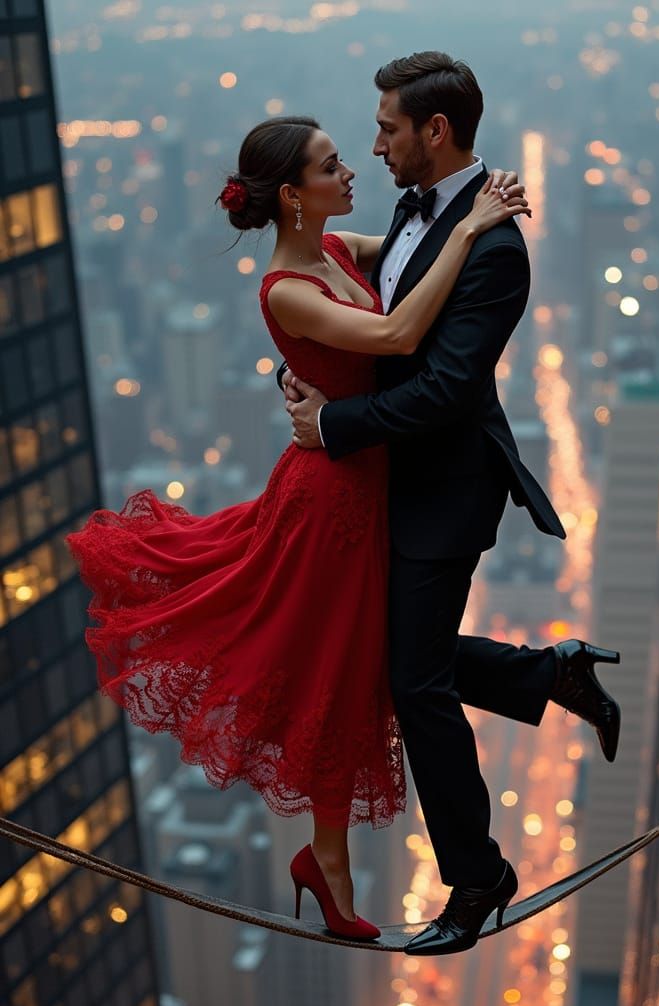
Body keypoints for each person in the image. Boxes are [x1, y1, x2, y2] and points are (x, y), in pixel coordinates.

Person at [64, 113, 529, 943]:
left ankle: (327, 861)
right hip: (332, 500)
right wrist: (476, 228)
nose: (350, 169)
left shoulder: (335, 251)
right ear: (291, 194)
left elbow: (409, 251)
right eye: (329, 165)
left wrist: (467, 206)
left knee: (352, 661)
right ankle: (331, 865)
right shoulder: (288, 286)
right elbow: (395, 332)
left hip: (362, 485)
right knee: (335, 668)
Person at [283, 51, 622, 955]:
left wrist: (334, 424)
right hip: (400, 483)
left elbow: (440, 390)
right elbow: (390, 281)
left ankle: (478, 880)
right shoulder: (421, 206)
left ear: (435, 133)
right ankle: (552, 675)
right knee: (398, 652)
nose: (377, 142)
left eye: (389, 127)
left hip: (445, 493)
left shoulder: (496, 249)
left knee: (413, 681)